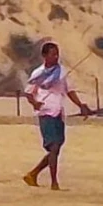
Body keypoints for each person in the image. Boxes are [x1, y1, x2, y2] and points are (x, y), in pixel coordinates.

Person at [22, 41, 93, 190]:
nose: (56, 57)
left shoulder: (62, 72)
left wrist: (81, 105)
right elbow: (28, 92)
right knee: (54, 147)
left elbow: (70, 91)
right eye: (53, 54)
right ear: (44, 55)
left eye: (57, 54)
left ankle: (33, 174)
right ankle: (54, 183)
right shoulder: (38, 73)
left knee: (56, 148)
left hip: (58, 113)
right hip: (45, 113)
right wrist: (34, 103)